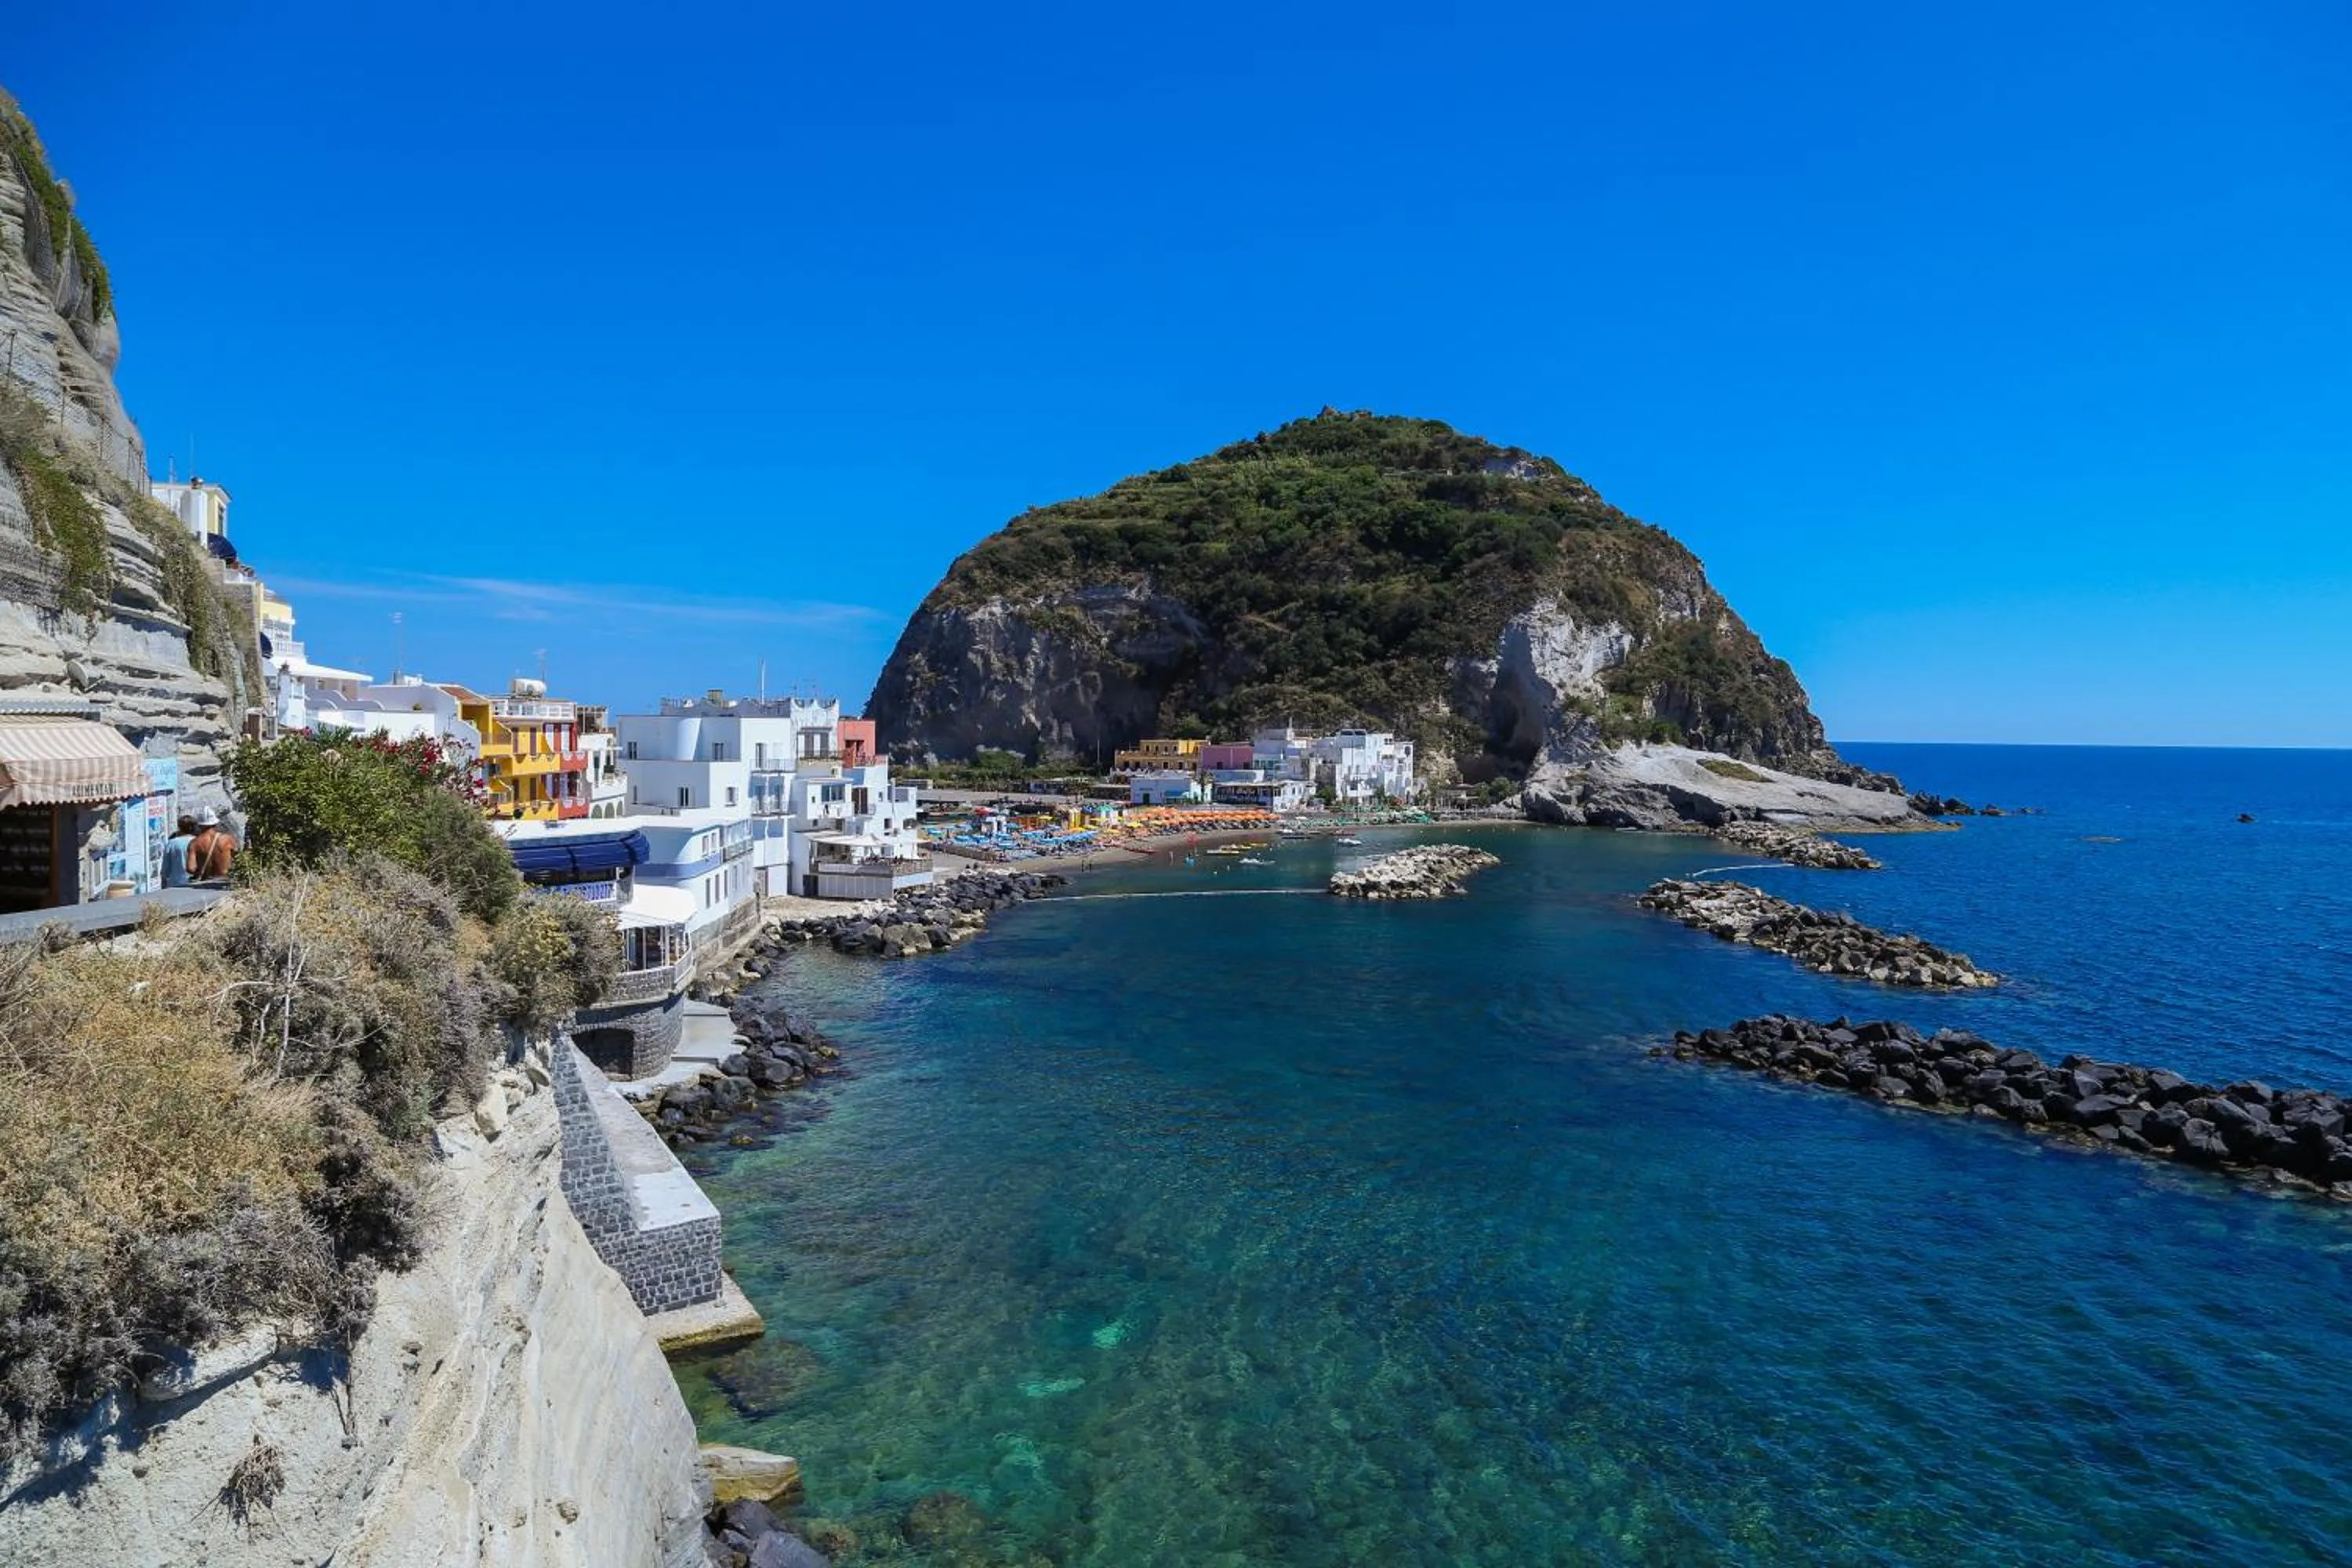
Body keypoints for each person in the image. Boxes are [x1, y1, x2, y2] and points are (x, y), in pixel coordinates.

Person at [188, 808, 238, 884]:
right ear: (215, 823)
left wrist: (202, 870)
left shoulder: (194, 843)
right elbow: (238, 859)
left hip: (205, 882)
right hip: (225, 881)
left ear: (200, 824)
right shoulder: (227, 839)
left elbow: (191, 868)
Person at [159, 815, 198, 888]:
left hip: (175, 884)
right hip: (195, 884)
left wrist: (163, 883)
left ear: (179, 827)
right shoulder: (198, 842)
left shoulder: (172, 843)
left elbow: (165, 869)